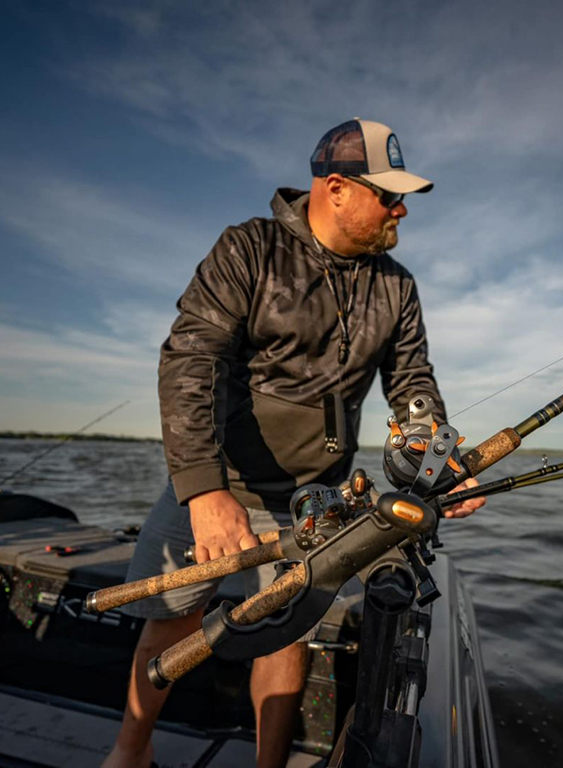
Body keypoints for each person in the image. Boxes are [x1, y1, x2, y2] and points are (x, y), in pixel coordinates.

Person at [103, 119, 485, 768]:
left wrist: (438, 454)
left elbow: (414, 388)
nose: (402, 209)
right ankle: (128, 756)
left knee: (286, 641)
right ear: (336, 188)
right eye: (389, 195)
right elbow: (189, 360)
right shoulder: (247, 249)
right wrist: (203, 491)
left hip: (318, 501)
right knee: (168, 619)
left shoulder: (397, 287)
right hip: (220, 484)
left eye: (404, 197)